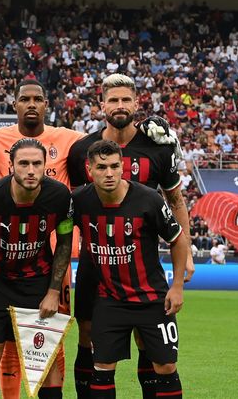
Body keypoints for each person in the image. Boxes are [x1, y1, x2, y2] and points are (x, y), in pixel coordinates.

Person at [67, 74, 194, 399]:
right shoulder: (83, 149)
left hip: (142, 261)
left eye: (126, 100)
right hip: (96, 268)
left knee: (148, 344)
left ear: (137, 104)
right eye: (113, 100)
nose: (119, 106)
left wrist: (188, 251)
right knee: (89, 338)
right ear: (102, 104)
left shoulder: (158, 148)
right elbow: (73, 206)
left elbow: (175, 201)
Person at [0, 79, 82, 398]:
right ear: (15, 105)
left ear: (47, 104)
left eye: (39, 98)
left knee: (51, 339)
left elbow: (107, 149)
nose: (32, 104)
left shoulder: (70, 140)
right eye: (25, 99)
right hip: (7, 258)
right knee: (4, 344)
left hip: (52, 262)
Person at [0, 138, 73, 399]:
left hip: (38, 282)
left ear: (45, 166)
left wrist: (54, 291)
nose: (30, 170)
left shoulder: (59, 196)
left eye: (37, 163)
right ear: (11, 166)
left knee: (46, 354)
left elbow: (65, 242)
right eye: (23, 163)